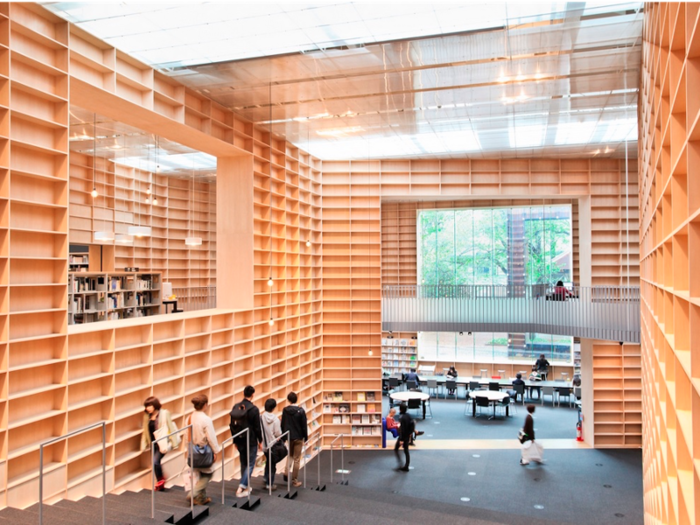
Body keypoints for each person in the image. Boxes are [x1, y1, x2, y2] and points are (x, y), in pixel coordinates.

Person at [186, 394, 220, 504]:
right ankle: (193, 493)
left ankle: (201, 498)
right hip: (204, 451)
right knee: (208, 473)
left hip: (193, 451)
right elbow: (211, 437)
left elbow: (186, 435)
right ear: (205, 405)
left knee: (199, 473)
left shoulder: (189, 418)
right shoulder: (206, 419)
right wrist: (216, 451)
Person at [141, 396, 180, 491]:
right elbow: (145, 431)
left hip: (162, 442)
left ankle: (161, 479)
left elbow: (171, 427)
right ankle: (160, 483)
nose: (147, 408)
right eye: (146, 406)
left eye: (149, 406)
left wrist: (175, 443)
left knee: (155, 461)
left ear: (155, 405)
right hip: (153, 443)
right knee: (155, 463)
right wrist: (143, 444)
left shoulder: (164, 413)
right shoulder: (147, 416)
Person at [232, 385, 262, 498]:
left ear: (243, 394)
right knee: (250, 464)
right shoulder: (254, 409)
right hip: (251, 439)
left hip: (239, 440)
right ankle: (241, 487)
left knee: (243, 463)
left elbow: (233, 426)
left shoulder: (236, 407)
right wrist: (260, 440)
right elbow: (257, 427)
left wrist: (234, 440)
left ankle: (246, 486)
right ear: (252, 395)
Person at [281, 391, 307, 488]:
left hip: (289, 436)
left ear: (288, 400)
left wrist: (284, 438)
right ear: (296, 399)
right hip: (299, 437)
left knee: (290, 455)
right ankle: (294, 480)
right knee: (297, 459)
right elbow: (304, 426)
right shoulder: (301, 411)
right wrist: (305, 438)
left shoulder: (285, 410)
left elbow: (283, 424)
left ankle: (286, 472)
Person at [260, 398, 282, 491]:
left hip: (264, 444)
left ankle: (265, 478)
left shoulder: (260, 417)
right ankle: (270, 484)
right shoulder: (276, 420)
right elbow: (278, 433)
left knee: (268, 461)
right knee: (272, 464)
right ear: (273, 408)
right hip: (272, 445)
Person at [394, 403, 412, 472]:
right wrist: (410, 433)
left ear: (400, 409)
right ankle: (406, 466)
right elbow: (412, 424)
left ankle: (400, 464)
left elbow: (402, 429)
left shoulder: (402, 417)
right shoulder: (409, 416)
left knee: (396, 449)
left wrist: (401, 439)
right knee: (406, 451)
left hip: (403, 437)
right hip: (407, 436)